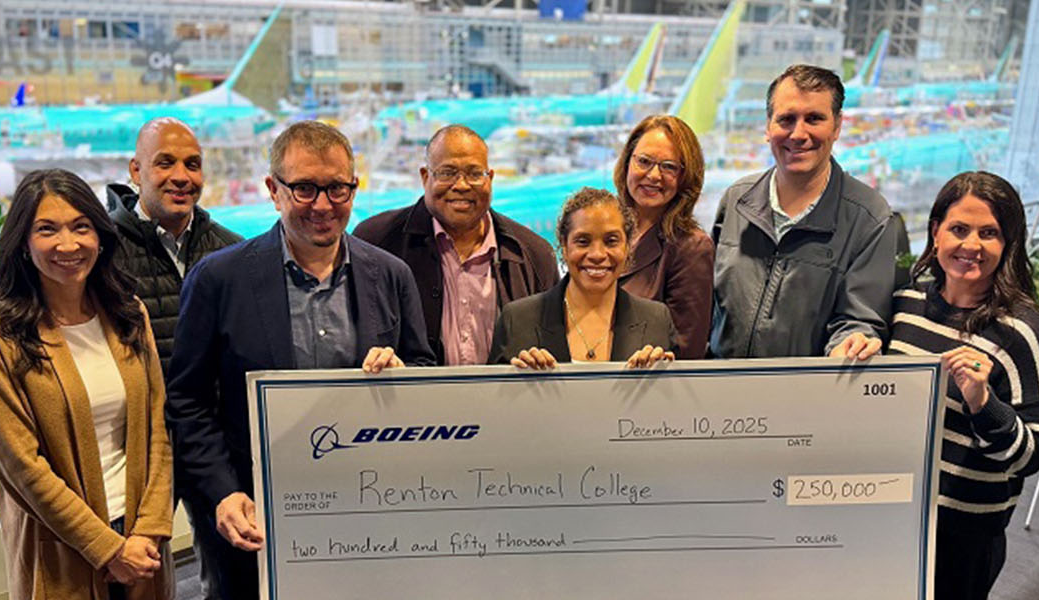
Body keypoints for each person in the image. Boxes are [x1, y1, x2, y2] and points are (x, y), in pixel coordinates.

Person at [166, 121, 436, 599]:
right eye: (305, 189)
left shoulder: (391, 276)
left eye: (337, 188)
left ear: (354, 187)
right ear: (274, 190)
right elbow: (187, 402)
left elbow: (423, 371)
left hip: (370, 514)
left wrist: (404, 379)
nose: (323, 205)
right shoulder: (219, 280)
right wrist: (223, 493)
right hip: (254, 520)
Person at [0, 169, 174, 600]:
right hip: (65, 551)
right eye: (47, 229)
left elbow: (158, 430)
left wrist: (150, 528)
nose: (68, 244)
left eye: (81, 227)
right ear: (23, 242)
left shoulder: (128, 316)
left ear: (100, 236)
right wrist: (108, 548)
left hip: (141, 541)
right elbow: (23, 468)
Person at [886, 171, 1039, 600]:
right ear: (935, 231)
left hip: (963, 536)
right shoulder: (905, 306)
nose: (971, 245)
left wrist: (984, 403)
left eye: (989, 233)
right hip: (893, 520)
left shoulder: (1021, 329)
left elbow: (1035, 454)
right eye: (959, 229)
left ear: (1008, 243)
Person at [710, 64, 899, 360]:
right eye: (786, 119)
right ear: (768, 127)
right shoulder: (737, 200)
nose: (798, 134)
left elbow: (860, 318)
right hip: (724, 393)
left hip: (804, 397)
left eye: (814, 119)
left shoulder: (870, 218)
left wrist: (850, 343)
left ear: (837, 127)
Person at [354, 124, 559, 365]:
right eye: (447, 172)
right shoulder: (377, 243)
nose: (461, 185)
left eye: (474, 173)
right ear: (424, 177)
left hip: (506, 401)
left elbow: (554, 342)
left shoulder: (533, 254)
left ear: (490, 178)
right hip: (410, 400)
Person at [104, 117, 244, 365]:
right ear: (136, 171)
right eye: (165, 163)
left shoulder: (231, 250)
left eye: (192, 165)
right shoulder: (103, 251)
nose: (181, 177)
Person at [490, 187, 675, 369]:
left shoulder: (656, 321)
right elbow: (490, 396)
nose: (597, 254)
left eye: (611, 241)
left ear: (627, 247)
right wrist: (520, 383)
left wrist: (664, 377)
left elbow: (675, 397)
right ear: (564, 245)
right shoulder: (517, 321)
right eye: (583, 242)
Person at [613, 115, 714, 359]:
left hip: (647, 388)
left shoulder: (692, 248)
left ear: (685, 177)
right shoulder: (608, 227)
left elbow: (688, 350)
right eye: (644, 161)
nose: (654, 175)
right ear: (627, 163)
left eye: (669, 166)